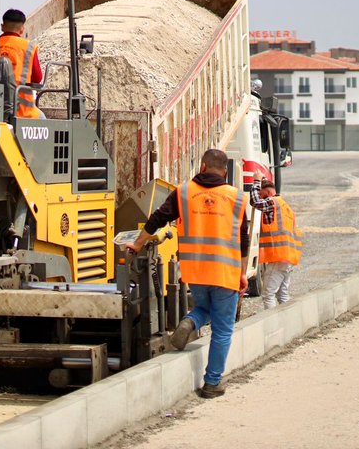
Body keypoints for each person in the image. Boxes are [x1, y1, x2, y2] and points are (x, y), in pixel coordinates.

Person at [124, 149, 247, 399]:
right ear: (225, 172)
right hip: (226, 272)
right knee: (223, 329)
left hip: (195, 271)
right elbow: (243, 241)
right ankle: (212, 384)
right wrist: (243, 274)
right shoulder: (236, 198)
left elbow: (157, 219)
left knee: (204, 309)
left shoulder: (183, 193)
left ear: (202, 167)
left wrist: (137, 244)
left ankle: (190, 321)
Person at [0, 8, 44, 118]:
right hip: (22, 109)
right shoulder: (28, 47)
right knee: (43, 120)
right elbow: (37, 78)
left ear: (2, 26)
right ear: (22, 29)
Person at [250, 177, 302, 308]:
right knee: (282, 294)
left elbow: (255, 202)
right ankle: (289, 323)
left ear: (267, 194)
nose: (261, 198)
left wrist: (256, 182)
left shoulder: (272, 203)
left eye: (262, 195)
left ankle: (272, 326)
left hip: (279, 257)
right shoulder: (285, 207)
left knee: (268, 294)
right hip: (289, 257)